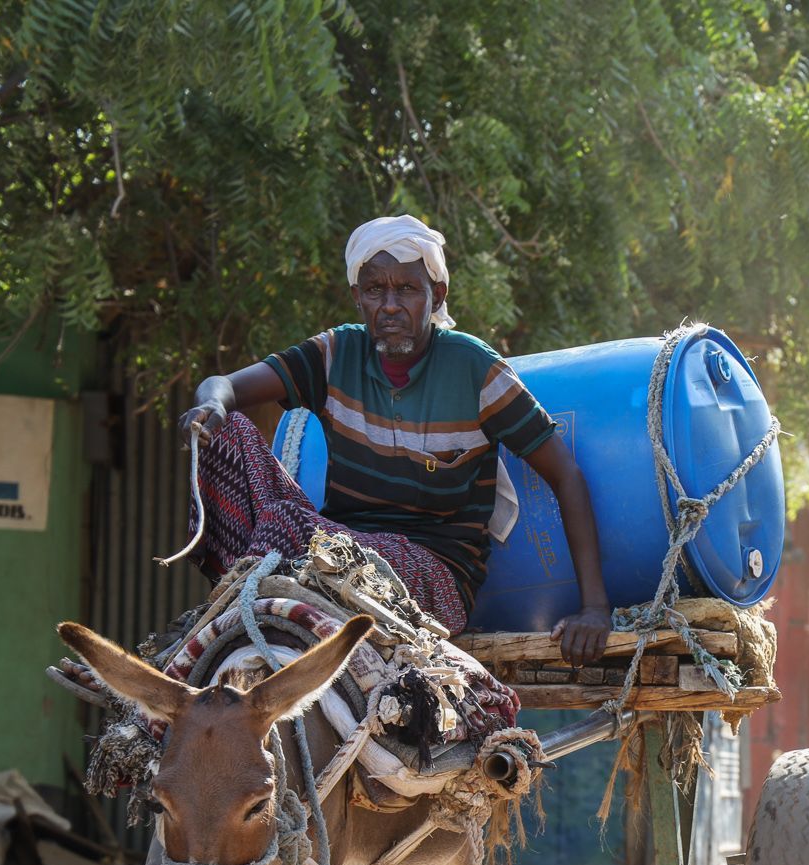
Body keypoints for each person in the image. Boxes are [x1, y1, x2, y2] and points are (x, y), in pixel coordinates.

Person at [174, 214, 612, 662]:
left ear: (435, 294)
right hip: (332, 549)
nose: (389, 305)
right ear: (357, 298)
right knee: (226, 431)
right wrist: (211, 406)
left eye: (406, 289)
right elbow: (223, 384)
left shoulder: (474, 369)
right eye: (374, 290)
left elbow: (566, 476)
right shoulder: (336, 354)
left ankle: (233, 616)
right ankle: (238, 609)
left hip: (432, 574)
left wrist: (595, 608)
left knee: (290, 526)